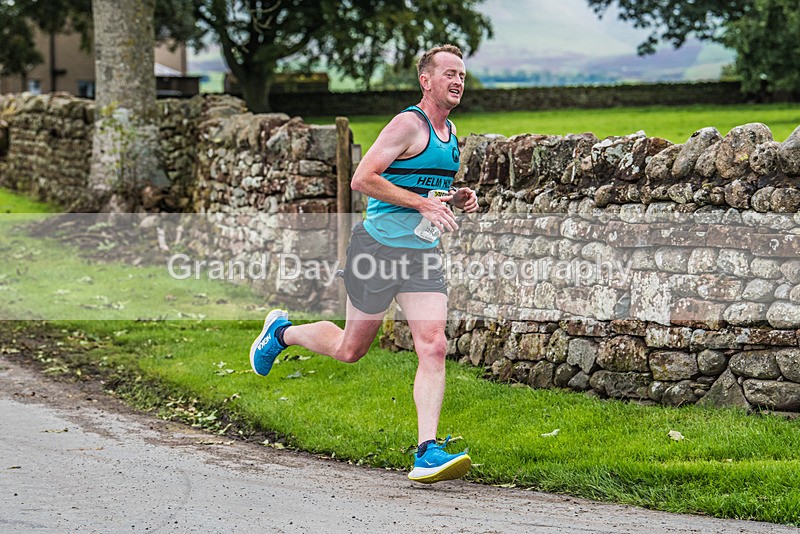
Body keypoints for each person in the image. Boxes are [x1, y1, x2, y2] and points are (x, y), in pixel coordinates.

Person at [249, 44, 479, 484]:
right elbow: (364, 179)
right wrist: (423, 205)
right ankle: (282, 332)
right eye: (449, 74)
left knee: (433, 344)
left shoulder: (450, 135)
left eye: (462, 75)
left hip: (420, 256)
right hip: (375, 251)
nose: (457, 82)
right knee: (350, 350)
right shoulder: (407, 124)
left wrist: (457, 197)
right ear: (425, 81)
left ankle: (426, 450)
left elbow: (423, 191)